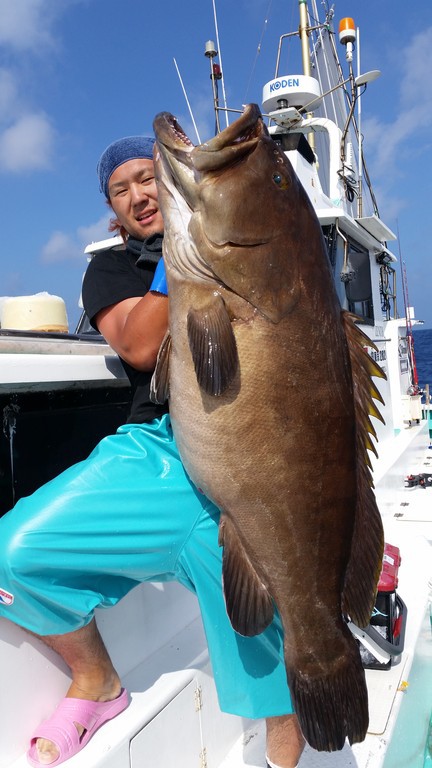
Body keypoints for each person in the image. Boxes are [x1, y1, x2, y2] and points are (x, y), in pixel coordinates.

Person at [0, 136, 305, 768]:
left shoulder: (246, 249)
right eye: (122, 188)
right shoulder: (112, 270)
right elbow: (140, 348)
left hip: (248, 457)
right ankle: (97, 681)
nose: (139, 195)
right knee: (13, 555)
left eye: (149, 179)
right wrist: (185, 258)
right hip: (159, 452)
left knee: (271, 657)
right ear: (112, 207)